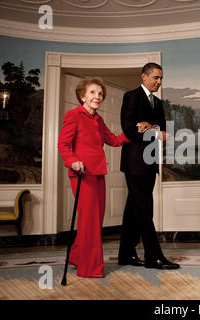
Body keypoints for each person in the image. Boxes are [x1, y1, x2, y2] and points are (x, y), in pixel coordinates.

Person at [58, 76, 131, 278]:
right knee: (88, 222)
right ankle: (89, 268)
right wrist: (72, 160)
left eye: (100, 94)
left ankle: (76, 256)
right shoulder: (73, 115)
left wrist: (133, 132)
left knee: (94, 221)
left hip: (99, 174)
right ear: (82, 96)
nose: (97, 96)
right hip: (81, 175)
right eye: (92, 92)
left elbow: (114, 140)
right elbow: (63, 145)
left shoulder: (99, 120)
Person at [118, 62, 180, 270]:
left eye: (161, 78)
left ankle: (126, 254)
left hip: (151, 161)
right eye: (156, 78)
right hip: (134, 162)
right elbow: (129, 130)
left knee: (133, 209)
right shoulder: (131, 96)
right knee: (145, 209)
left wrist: (150, 127)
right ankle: (154, 257)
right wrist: (155, 131)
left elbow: (164, 129)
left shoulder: (159, 102)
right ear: (144, 77)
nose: (159, 82)